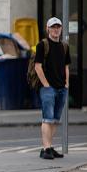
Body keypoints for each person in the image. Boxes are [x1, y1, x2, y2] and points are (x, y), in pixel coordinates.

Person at [34, 17, 70, 160]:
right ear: (48, 29)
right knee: (47, 119)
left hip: (62, 88)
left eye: (58, 27)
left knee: (55, 119)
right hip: (48, 89)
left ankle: (50, 146)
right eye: (53, 27)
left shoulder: (64, 46)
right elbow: (38, 66)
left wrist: (66, 83)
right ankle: (45, 148)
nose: (56, 30)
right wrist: (46, 84)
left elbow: (66, 66)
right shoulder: (42, 45)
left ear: (61, 29)